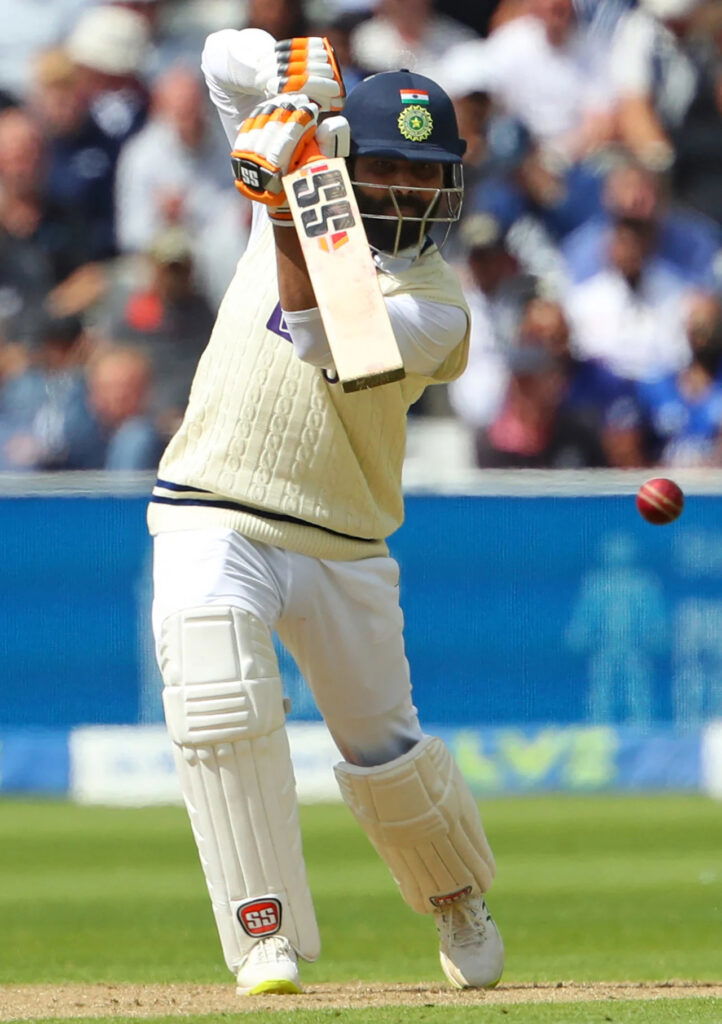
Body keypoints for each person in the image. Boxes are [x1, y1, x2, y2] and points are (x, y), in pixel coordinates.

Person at [148, 28, 504, 998]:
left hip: (343, 539)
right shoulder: (305, 149)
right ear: (352, 153)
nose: (401, 191)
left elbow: (324, 337)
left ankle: (453, 894)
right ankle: (261, 935)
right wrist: (290, 74)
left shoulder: (437, 305)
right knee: (215, 697)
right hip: (211, 502)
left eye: (422, 175)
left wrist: (279, 204)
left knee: (383, 749)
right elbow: (222, 56)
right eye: (385, 167)